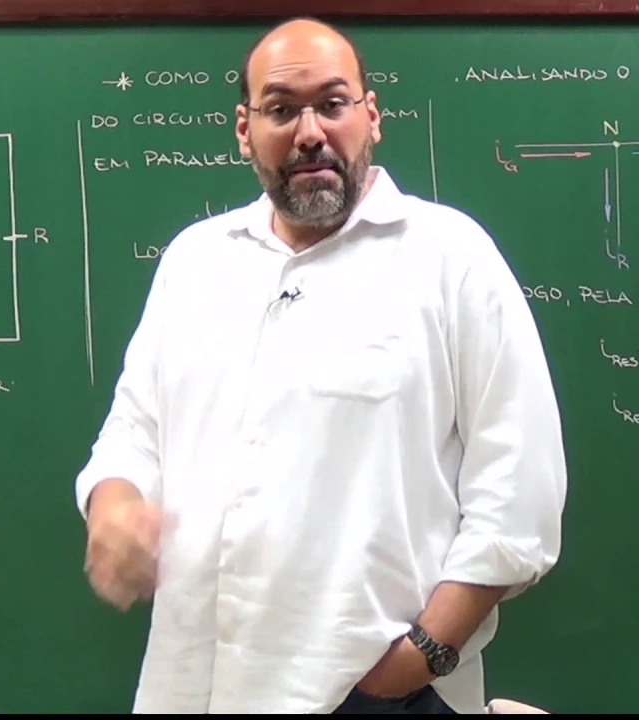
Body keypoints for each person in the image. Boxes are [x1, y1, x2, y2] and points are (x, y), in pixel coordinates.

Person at [74, 16, 568, 715]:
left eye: (333, 104)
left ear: (372, 117)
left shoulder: (450, 259)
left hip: (365, 690)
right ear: (245, 130)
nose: (310, 132)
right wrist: (116, 502)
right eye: (280, 110)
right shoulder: (195, 262)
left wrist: (422, 657)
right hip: (189, 687)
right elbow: (134, 430)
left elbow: (519, 493)